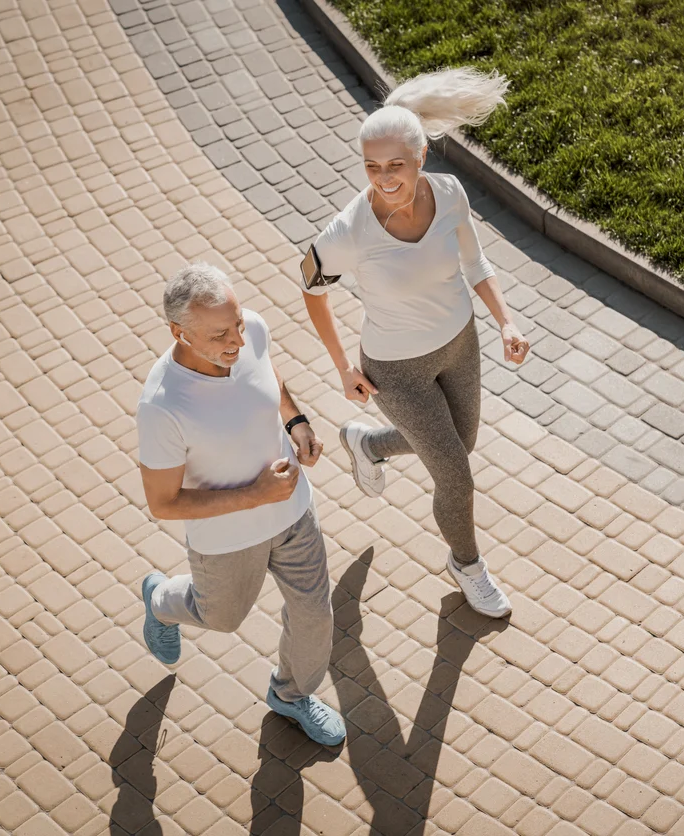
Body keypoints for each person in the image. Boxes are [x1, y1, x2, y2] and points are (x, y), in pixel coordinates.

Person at [300, 67, 530, 619]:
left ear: (421, 156)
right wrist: (341, 368)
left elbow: (475, 263)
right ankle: (466, 563)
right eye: (372, 167)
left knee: (461, 443)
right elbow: (309, 285)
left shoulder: (449, 194)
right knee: (455, 472)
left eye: (395, 166)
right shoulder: (350, 231)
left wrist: (506, 322)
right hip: (394, 369)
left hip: (460, 343)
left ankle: (370, 445)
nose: (383, 178)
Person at [134, 263, 344, 747]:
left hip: (292, 513)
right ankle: (162, 600)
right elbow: (162, 503)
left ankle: (291, 695)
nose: (236, 341)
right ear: (178, 333)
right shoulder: (162, 405)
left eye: (238, 325)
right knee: (222, 619)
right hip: (227, 540)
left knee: (315, 613)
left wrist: (297, 423)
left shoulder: (251, 331)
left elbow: (267, 375)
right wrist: (254, 495)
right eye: (219, 335)